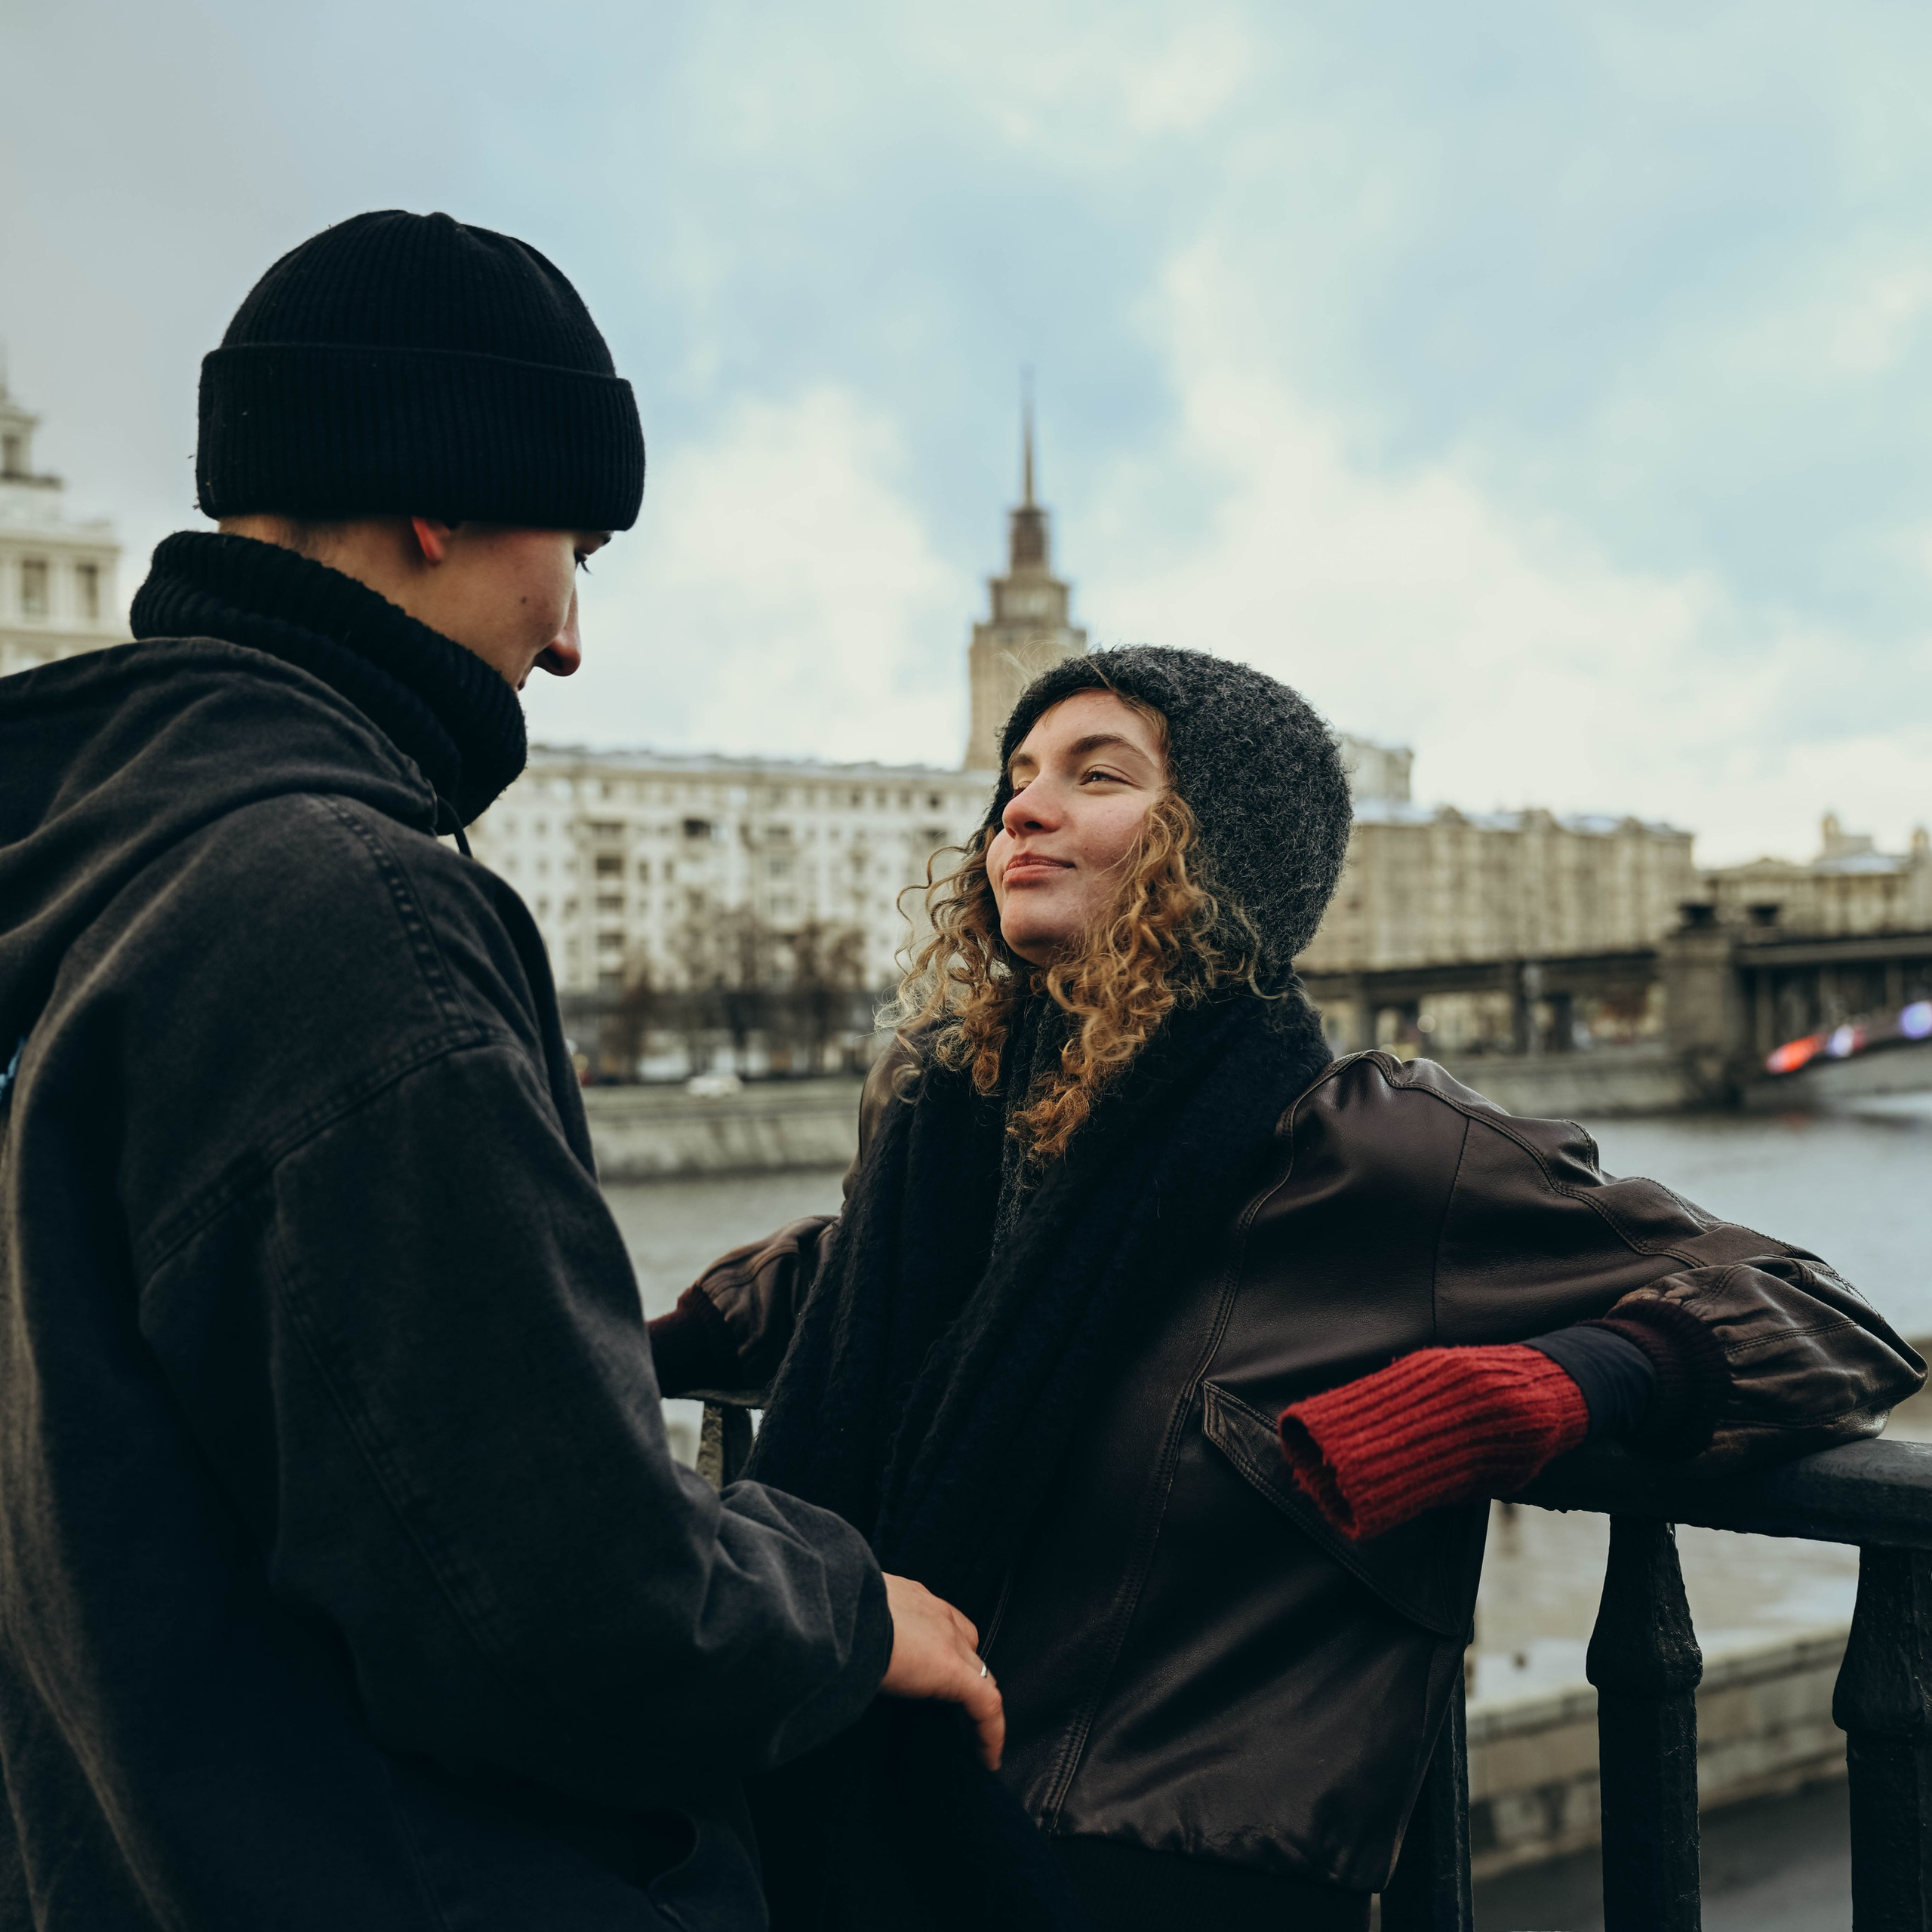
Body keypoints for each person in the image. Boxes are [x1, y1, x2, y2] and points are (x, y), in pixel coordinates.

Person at [0, 210, 1000, 1931]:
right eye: (577, 548)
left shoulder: (83, 857)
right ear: (440, 500)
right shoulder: (347, 905)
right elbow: (555, 1592)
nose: (567, 639)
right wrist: (845, 1607)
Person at [649, 644, 1925, 1931]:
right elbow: (862, 1280)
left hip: (1164, 1876)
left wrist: (1542, 1389)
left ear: (1224, 847)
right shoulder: (954, 1117)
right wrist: (612, 1343)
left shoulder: (1368, 1144)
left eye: (1098, 776)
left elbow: (1823, 1317)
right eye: (1017, 778)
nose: (1020, 811)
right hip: (862, 1841)